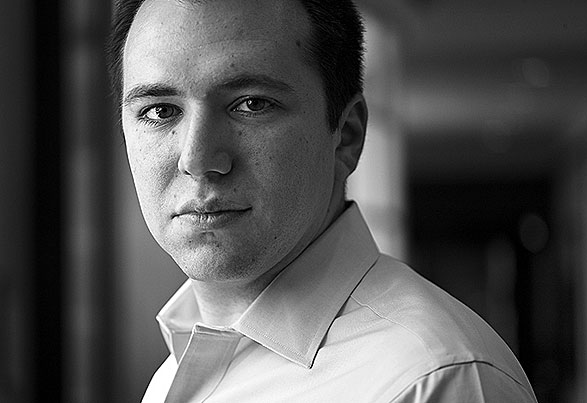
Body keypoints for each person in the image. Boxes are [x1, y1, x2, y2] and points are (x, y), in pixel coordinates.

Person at [108, 0, 538, 401]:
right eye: (159, 111)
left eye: (251, 104)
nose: (197, 159)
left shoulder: (432, 379)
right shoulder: (178, 366)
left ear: (346, 135)